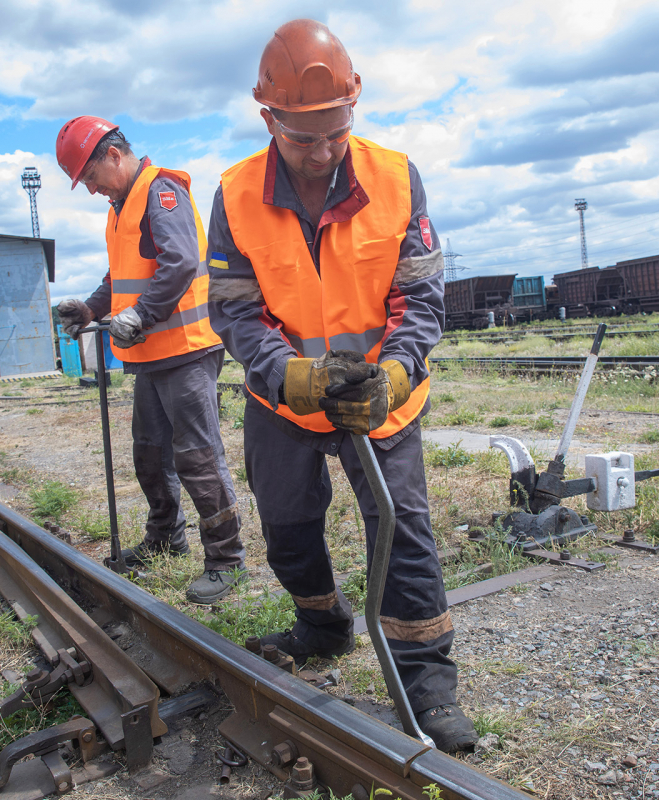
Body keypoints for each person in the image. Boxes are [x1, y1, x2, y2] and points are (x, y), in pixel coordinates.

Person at [205, 20, 477, 753]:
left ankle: (425, 678)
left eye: (336, 132)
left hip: (381, 393)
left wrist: (393, 372)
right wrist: (283, 373)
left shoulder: (395, 176)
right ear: (269, 119)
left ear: (351, 109)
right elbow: (232, 310)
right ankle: (322, 627)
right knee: (288, 524)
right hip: (283, 397)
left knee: (404, 528)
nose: (324, 151)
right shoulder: (233, 196)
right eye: (303, 138)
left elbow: (421, 299)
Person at [55, 116, 245, 605]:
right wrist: (94, 308)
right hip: (152, 353)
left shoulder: (162, 193)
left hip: (186, 349)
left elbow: (181, 261)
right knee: (150, 453)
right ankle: (167, 535)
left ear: (114, 155)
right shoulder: (122, 206)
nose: (93, 190)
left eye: (92, 178)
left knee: (197, 456)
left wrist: (141, 313)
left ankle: (227, 559)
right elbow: (121, 273)